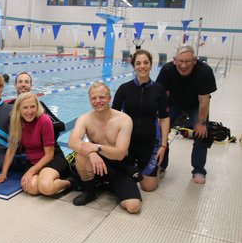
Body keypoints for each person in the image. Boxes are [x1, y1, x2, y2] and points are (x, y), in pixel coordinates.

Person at [68, 82, 141, 214]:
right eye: (93, 98)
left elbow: (120, 153)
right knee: (81, 154)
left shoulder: (124, 120)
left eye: (101, 97)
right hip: (98, 163)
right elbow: (72, 142)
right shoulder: (84, 118)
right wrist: (91, 153)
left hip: (120, 165)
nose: (98, 101)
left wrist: (96, 147)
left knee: (133, 207)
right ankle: (90, 192)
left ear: (109, 98)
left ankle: (108, 185)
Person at [0, 92, 73, 196]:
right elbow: (11, 150)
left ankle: (70, 182)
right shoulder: (17, 122)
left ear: (37, 106)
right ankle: (46, 178)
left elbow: (49, 155)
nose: (29, 111)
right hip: (33, 161)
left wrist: (30, 172)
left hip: (51, 159)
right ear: (19, 108)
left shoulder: (44, 120)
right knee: (32, 188)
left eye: (32, 107)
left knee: (46, 187)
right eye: (25, 107)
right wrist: (3, 174)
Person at [156, 45, 217, 184]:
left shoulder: (204, 71)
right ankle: (160, 164)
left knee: (202, 133)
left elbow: (204, 100)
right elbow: (162, 97)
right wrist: (161, 118)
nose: (183, 65)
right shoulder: (167, 70)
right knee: (160, 130)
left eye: (187, 61)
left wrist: (201, 123)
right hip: (174, 103)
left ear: (195, 60)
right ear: (174, 60)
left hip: (196, 104)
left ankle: (199, 170)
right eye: (180, 61)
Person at [112, 50, 170, 191]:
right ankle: (135, 166)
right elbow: (113, 116)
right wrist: (113, 144)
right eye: (138, 63)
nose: (142, 66)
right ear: (134, 66)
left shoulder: (159, 90)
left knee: (148, 187)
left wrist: (163, 145)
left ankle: (157, 165)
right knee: (124, 181)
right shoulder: (124, 89)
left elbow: (164, 118)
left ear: (151, 65)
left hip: (150, 142)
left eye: (145, 62)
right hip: (127, 142)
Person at [8, 72, 65, 140]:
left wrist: (39, 127)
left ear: (31, 85)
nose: (23, 85)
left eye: (26, 82)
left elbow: (61, 125)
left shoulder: (39, 105)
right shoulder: (9, 106)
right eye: (20, 82)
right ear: (15, 85)